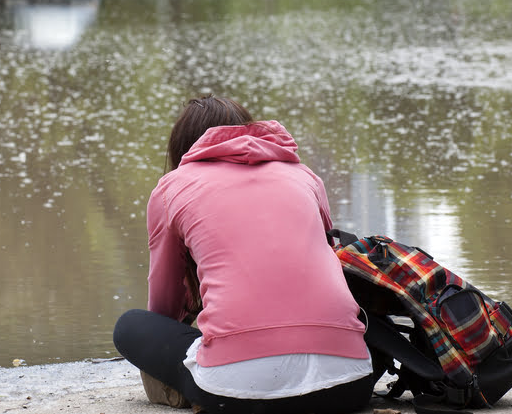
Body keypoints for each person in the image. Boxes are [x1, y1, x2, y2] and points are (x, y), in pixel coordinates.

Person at [113, 96, 374, 414]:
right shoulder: (306, 177)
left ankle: (190, 386)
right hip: (349, 386)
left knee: (130, 326)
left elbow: (164, 308)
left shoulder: (172, 189)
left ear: (182, 146)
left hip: (236, 394)